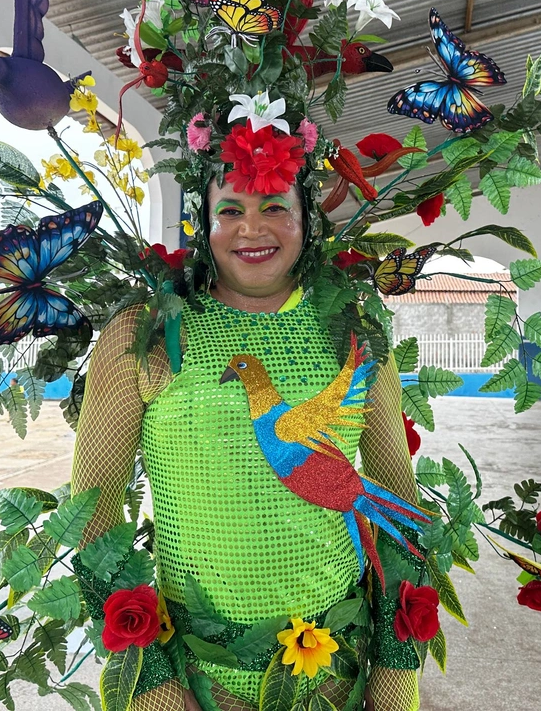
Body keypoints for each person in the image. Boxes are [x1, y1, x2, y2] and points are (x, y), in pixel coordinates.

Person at [73, 179, 423, 711]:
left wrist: (394, 673)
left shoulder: (352, 328)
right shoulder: (148, 332)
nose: (252, 227)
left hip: (337, 670)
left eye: (276, 208)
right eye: (231, 209)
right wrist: (153, 683)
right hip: (195, 678)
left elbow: (398, 502)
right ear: (202, 221)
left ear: (309, 219)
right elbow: (91, 516)